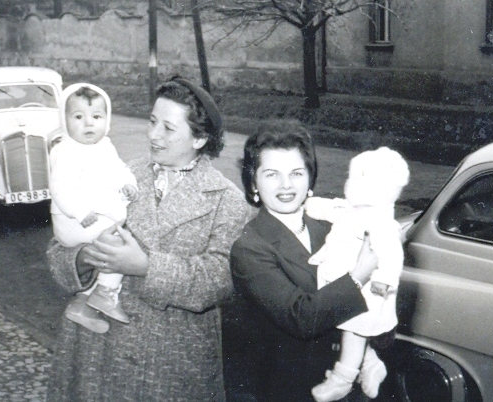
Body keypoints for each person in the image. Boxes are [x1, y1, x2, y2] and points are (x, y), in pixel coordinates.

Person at [46, 76, 251, 401]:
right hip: (97, 355)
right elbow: (58, 253)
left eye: (168, 128)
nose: (153, 135)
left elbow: (219, 280)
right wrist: (84, 257)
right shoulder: (117, 172)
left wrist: (145, 267)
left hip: (171, 365)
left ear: (199, 138)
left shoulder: (227, 200)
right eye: (152, 121)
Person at [229, 120, 382, 402]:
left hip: (348, 387)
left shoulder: (331, 226)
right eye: (272, 174)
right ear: (253, 182)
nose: (286, 185)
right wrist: (360, 274)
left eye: (296, 173)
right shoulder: (249, 248)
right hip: (291, 390)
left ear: (310, 178)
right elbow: (301, 317)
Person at [305, 148, 409, 401]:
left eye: (355, 179)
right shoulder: (352, 210)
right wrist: (307, 204)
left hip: (367, 290)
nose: (348, 185)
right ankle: (371, 363)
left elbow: (392, 254)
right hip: (349, 283)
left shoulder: (381, 223)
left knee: (353, 330)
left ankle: (342, 379)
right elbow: (329, 208)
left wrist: (385, 278)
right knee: (352, 331)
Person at [49, 83, 139, 334]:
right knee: (118, 245)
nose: (89, 123)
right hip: (74, 220)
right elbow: (60, 188)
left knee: (111, 240)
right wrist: (79, 211)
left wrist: (129, 183)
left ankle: (82, 304)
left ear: (106, 120)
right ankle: (106, 292)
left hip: (93, 215)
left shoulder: (105, 146)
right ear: (64, 120)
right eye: (79, 117)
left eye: (97, 117)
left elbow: (120, 169)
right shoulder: (65, 151)